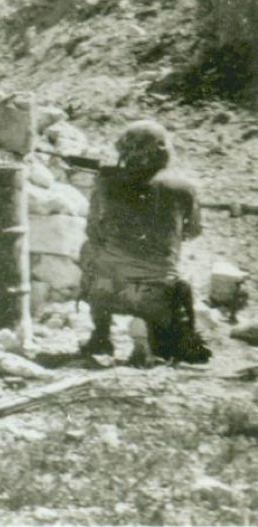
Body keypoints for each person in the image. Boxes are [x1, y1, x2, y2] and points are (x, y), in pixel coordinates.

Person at [78, 120, 210, 365]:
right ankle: (158, 337)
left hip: (109, 290)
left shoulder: (105, 182)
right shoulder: (185, 187)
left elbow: (92, 231)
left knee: (88, 251)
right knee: (180, 274)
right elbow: (193, 232)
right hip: (158, 295)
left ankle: (101, 335)